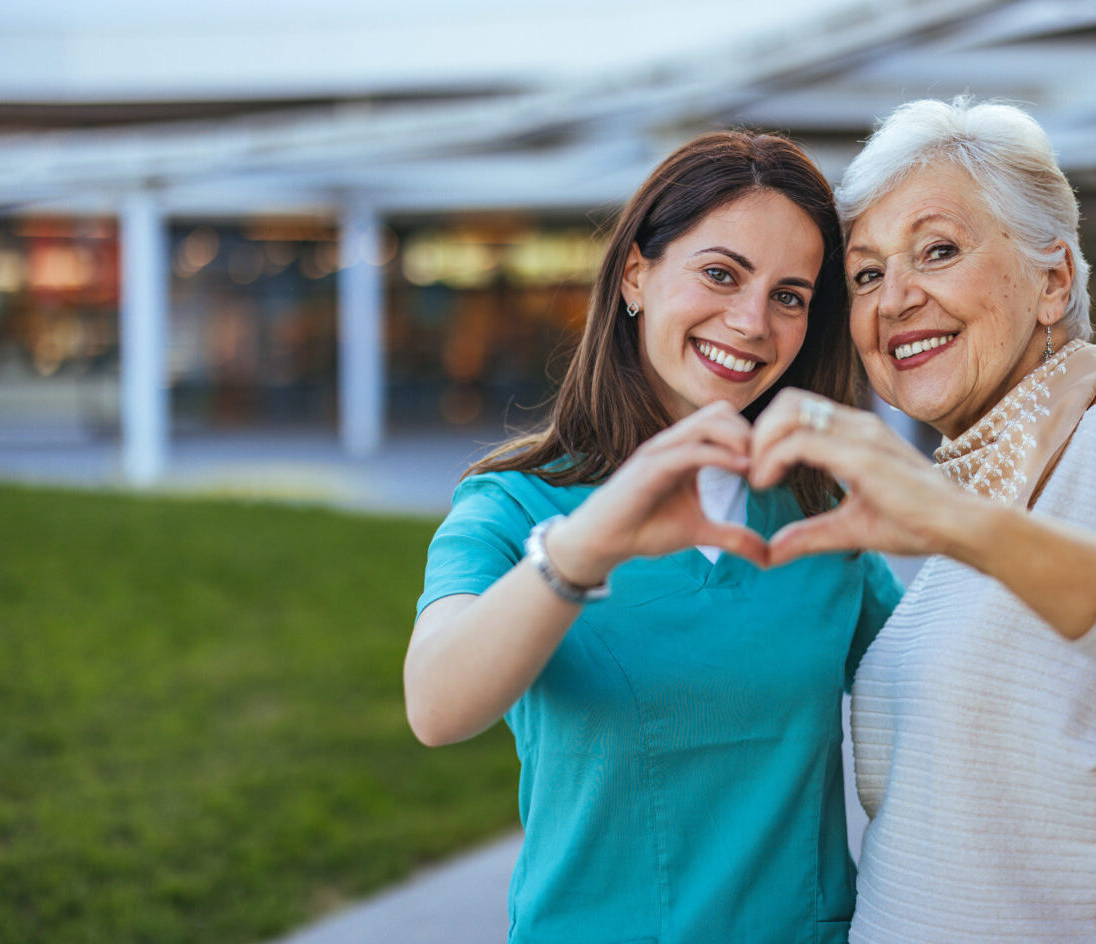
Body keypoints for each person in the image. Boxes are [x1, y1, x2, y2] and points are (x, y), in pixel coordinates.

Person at [404, 131, 903, 944]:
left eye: (790, 296)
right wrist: (586, 546)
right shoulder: (513, 507)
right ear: (636, 273)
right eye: (720, 273)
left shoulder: (822, 510)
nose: (750, 322)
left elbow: (948, 687)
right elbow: (434, 705)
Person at [746, 97, 1096, 943]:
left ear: (1053, 282)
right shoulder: (980, 492)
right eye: (866, 274)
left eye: (937, 251)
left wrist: (945, 516)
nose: (895, 299)